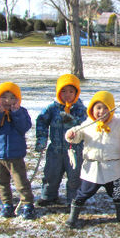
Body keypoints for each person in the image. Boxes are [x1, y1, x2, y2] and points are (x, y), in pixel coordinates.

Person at [65, 91, 120, 228]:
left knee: (117, 193)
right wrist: (71, 134)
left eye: (106, 108)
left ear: (111, 109)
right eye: (98, 108)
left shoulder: (117, 124)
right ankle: (73, 215)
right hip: (92, 169)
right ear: (92, 109)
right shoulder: (88, 124)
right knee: (83, 193)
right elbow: (77, 134)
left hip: (113, 169)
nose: (102, 111)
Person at [0, 82, 35, 219]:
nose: (8, 101)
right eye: (4, 97)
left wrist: (16, 113)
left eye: (12, 98)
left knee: (21, 182)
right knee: (2, 182)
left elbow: (24, 127)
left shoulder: (21, 112)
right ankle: (7, 204)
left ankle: (28, 204)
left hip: (15, 154)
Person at [35, 74, 87, 207]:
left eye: (71, 91)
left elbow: (86, 125)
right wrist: (41, 140)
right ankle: (48, 195)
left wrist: (73, 121)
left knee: (74, 176)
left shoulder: (81, 109)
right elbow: (41, 121)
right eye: (63, 91)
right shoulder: (52, 108)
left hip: (75, 150)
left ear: (76, 92)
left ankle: (74, 199)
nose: (67, 95)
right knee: (51, 174)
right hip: (55, 149)